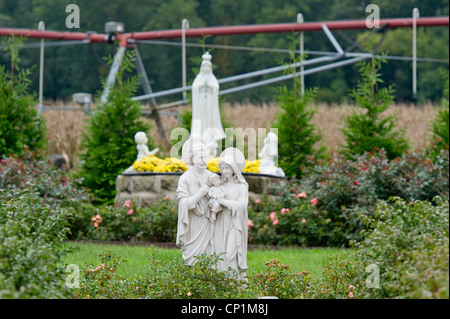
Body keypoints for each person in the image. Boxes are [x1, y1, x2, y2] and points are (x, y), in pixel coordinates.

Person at [176, 141, 215, 266]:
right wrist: (200, 194)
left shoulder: (211, 177)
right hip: (193, 223)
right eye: (200, 157)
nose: (203, 160)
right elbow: (184, 204)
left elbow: (220, 197)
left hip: (208, 222)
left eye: (205, 157)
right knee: (192, 257)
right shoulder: (185, 178)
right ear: (192, 158)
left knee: (209, 254)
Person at [213, 148, 249, 281]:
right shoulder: (220, 185)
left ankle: (236, 285)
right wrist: (214, 206)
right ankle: (226, 284)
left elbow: (241, 206)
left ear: (234, 168)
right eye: (223, 168)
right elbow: (212, 202)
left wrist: (222, 201)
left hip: (235, 224)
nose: (225, 171)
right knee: (220, 256)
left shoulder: (242, 186)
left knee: (230, 255)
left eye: (227, 168)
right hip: (221, 223)